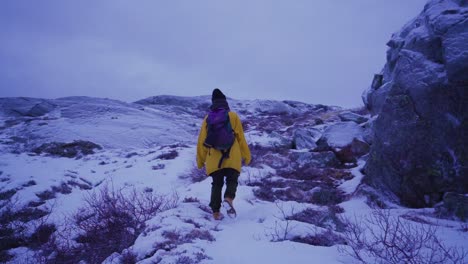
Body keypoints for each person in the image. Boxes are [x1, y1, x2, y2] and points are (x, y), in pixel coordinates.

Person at [197, 88, 251, 220]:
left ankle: (216, 212)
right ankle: (228, 198)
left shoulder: (207, 119)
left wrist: (200, 160)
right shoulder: (233, 116)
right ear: (225, 102)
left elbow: (201, 141)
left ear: (213, 103)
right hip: (232, 156)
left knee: (217, 184)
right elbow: (240, 138)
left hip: (214, 158)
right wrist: (246, 155)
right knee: (232, 180)